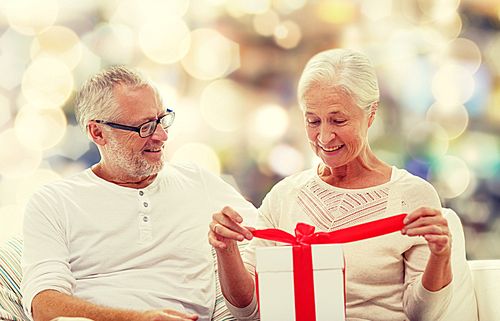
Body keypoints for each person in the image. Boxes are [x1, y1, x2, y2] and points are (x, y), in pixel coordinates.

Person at [209, 49, 457, 321]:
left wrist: (440, 256)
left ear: (370, 114)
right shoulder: (284, 197)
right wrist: (226, 249)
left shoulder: (411, 196)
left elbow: (423, 315)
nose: (325, 137)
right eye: (313, 121)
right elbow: (248, 312)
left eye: (339, 120)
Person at [21, 65, 257, 321]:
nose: (162, 135)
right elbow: (43, 305)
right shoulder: (53, 202)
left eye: (161, 119)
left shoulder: (198, 181)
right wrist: (136, 319)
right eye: (145, 127)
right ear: (97, 132)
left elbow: (275, 239)